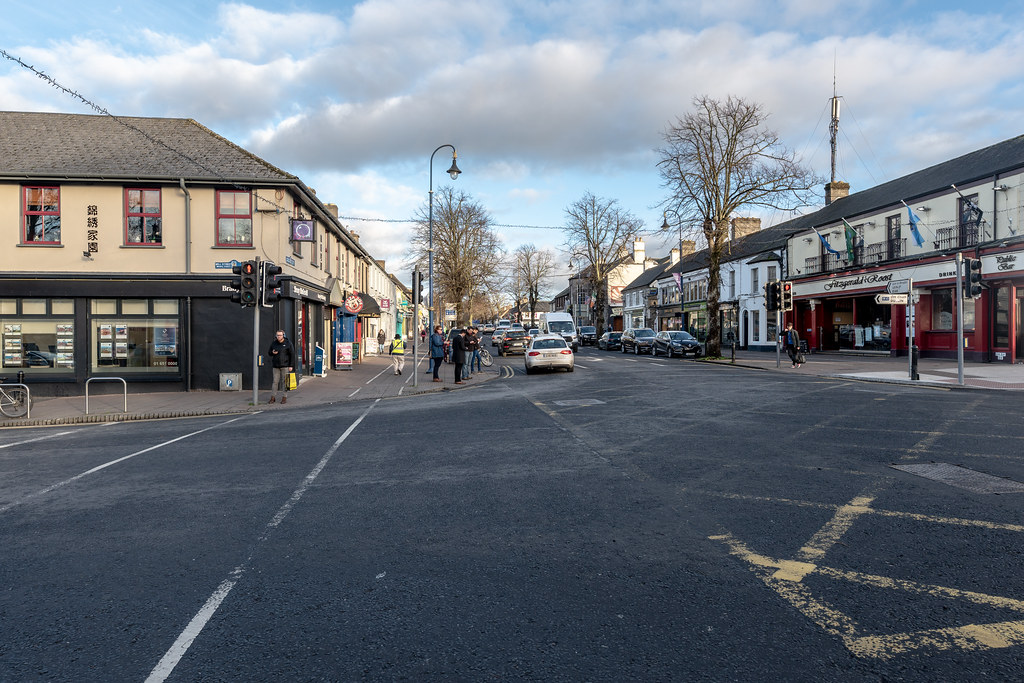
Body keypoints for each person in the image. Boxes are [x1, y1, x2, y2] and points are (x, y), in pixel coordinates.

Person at [267, 329, 294, 403]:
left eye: (280, 335)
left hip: (285, 365)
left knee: (285, 382)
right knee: (275, 382)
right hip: (276, 366)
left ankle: (284, 397)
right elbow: (269, 352)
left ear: (283, 335)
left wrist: (291, 365)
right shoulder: (274, 343)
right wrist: (272, 352)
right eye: (277, 335)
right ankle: (272, 397)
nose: (278, 336)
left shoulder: (288, 343)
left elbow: (292, 355)